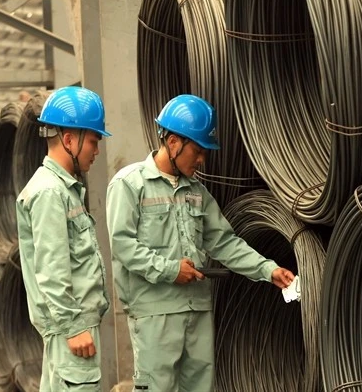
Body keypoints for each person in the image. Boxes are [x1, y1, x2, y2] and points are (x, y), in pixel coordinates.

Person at [106, 94, 295, 392]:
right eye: (197, 150)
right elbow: (123, 246)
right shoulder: (129, 185)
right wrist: (170, 270)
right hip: (155, 313)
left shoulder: (197, 193)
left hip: (197, 309)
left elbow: (224, 242)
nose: (202, 159)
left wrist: (268, 270)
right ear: (172, 143)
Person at [16, 86, 112, 391]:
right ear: (69, 139)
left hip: (74, 326)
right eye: (94, 141)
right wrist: (73, 328)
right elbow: (51, 270)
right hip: (72, 328)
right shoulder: (49, 193)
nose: (97, 151)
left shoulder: (63, 189)